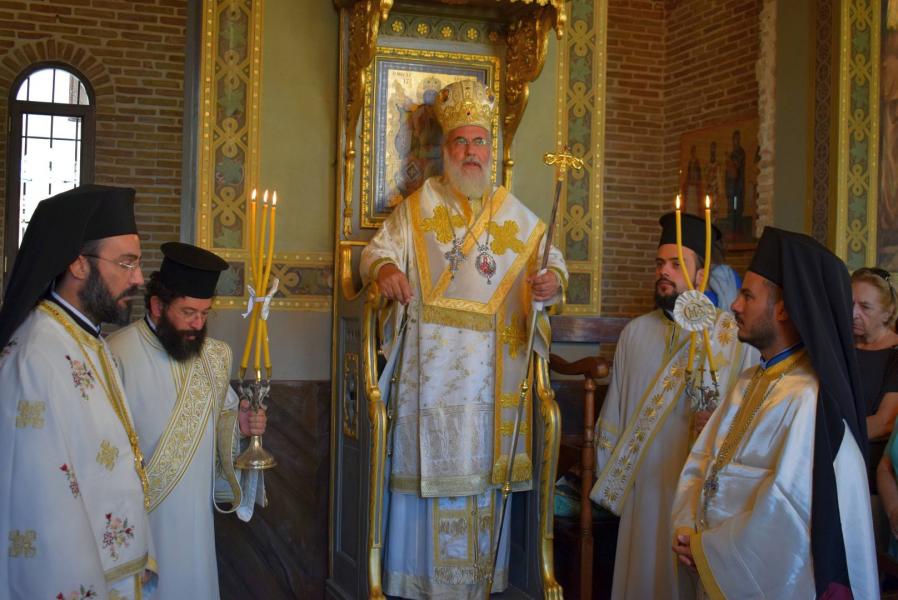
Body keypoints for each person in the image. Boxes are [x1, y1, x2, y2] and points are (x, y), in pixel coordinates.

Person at [359, 78, 567, 599]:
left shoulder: (514, 215)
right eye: (460, 142)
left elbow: (552, 263)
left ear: (490, 150)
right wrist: (386, 270)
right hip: (428, 384)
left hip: (489, 390)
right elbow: (374, 252)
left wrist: (552, 284)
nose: (471, 152)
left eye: (479, 142)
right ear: (445, 150)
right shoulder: (417, 208)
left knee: (480, 490)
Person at [671, 227, 878, 598]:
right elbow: (703, 463)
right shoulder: (748, 380)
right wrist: (688, 527)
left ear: (784, 308)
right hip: (714, 567)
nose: (734, 305)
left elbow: (788, 514)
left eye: (748, 295)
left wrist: (708, 550)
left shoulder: (809, 401)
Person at [0, 185, 158, 599]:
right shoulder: (37, 356)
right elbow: (42, 504)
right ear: (78, 264)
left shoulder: (87, 339)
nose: (138, 278)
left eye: (138, 263)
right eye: (126, 263)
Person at [589, 212, 756, 600]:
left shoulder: (732, 338)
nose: (664, 271)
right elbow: (614, 415)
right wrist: (610, 475)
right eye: (660, 263)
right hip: (642, 491)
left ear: (702, 274)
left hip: (699, 491)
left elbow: (747, 415)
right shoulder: (635, 333)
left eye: (677, 264)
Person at [108, 242, 267, 600]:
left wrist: (240, 427)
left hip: (196, 527)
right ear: (157, 306)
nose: (198, 324)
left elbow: (221, 423)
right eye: (188, 312)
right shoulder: (116, 354)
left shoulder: (214, 357)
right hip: (137, 526)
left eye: (205, 313)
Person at [852, 267, 898, 441]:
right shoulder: (839, 346)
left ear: (887, 313)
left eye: (865, 307)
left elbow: (884, 423)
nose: (853, 314)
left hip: (868, 453)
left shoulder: (895, 354)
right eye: (850, 304)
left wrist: (828, 439)